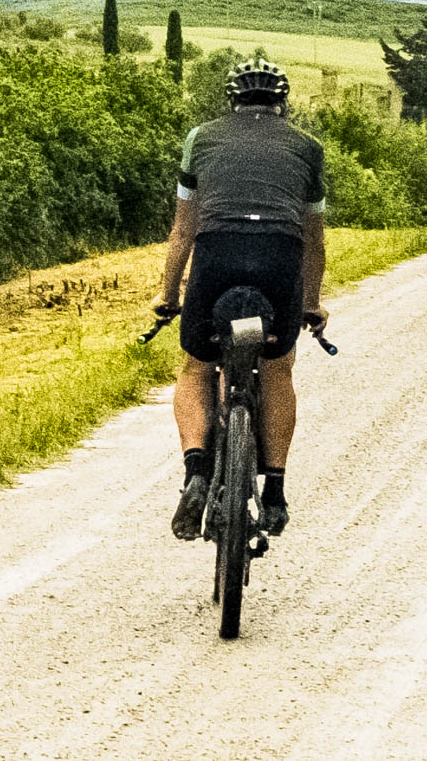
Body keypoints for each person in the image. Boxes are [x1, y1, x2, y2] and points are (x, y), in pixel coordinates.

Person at [151, 57, 328, 539]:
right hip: (279, 255)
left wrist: (167, 297)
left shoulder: (200, 139)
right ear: (283, 103)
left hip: (217, 253)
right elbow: (314, 241)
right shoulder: (308, 149)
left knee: (195, 365)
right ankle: (274, 490)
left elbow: (183, 229)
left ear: (231, 100)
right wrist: (311, 304)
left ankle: (194, 473)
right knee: (277, 365)